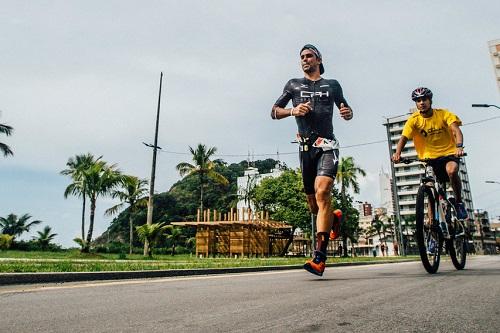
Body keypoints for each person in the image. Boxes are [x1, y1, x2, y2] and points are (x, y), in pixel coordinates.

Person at [271, 44, 353, 276]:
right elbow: (274, 111)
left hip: (327, 145)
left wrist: (348, 113)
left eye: (309, 56)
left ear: (319, 59)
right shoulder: (293, 85)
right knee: (314, 205)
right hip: (305, 149)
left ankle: (320, 257)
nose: (305, 60)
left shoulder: (333, 85)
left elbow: (346, 108)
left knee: (323, 191)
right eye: (302, 57)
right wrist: (292, 111)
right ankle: (334, 218)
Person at [392, 87, 467, 220]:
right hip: (428, 159)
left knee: (452, 170)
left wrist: (459, 147)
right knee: (429, 188)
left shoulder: (443, 114)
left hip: (448, 153)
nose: (422, 102)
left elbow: (457, 131)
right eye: (418, 100)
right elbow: (403, 138)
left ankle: (459, 202)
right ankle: (432, 226)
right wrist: (397, 153)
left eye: (424, 99)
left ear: (430, 100)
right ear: (416, 103)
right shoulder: (413, 120)